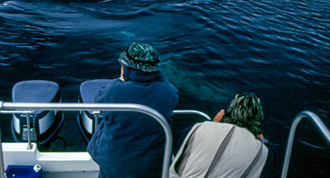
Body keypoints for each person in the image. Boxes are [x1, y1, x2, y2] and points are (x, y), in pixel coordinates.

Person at [87, 42, 179, 178]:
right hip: (152, 164)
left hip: (115, 162)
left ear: (126, 68)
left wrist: (120, 79)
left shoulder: (115, 91)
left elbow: (99, 99)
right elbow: (167, 86)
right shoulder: (169, 92)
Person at [170, 94, 269, 178]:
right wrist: (261, 139)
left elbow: (175, 147)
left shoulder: (202, 127)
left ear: (227, 113)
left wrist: (213, 123)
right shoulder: (263, 151)